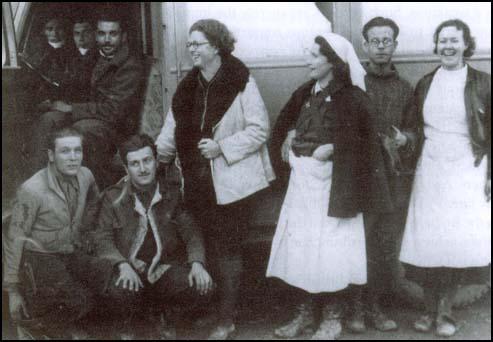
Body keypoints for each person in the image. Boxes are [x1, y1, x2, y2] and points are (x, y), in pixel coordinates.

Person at [267, 32, 392, 340]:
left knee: (333, 253)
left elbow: (368, 141)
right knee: (302, 250)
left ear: (333, 63)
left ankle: (333, 317)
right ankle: (305, 314)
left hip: (336, 189)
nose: (308, 59)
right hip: (304, 185)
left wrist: (335, 147)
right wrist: (288, 136)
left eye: (314, 55)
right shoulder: (306, 92)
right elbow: (283, 123)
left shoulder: (353, 97)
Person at [155, 19, 275, 339]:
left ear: (217, 47)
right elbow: (172, 130)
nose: (191, 49)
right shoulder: (187, 85)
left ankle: (227, 320)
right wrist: (155, 161)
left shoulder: (240, 80)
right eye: (189, 44)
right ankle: (212, 314)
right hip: (196, 182)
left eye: (198, 44)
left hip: (232, 185)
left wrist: (221, 147)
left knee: (227, 251)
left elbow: (259, 129)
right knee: (203, 248)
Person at [399, 19, 491, 337]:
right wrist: (405, 140)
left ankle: (446, 313)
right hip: (432, 169)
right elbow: (414, 129)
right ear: (436, 45)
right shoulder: (426, 83)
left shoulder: (483, 83)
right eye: (443, 41)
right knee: (428, 243)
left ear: (466, 44)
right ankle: (427, 311)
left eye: (454, 40)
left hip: (468, 168)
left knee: (454, 243)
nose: (448, 46)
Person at [93, 134, 213, 339]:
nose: (143, 168)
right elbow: (102, 238)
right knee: (120, 291)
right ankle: (133, 322)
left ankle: (168, 316)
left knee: (201, 286)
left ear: (156, 162)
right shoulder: (113, 197)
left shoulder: (172, 192)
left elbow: (191, 232)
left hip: (162, 269)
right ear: (126, 168)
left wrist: (197, 263)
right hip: (129, 269)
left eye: (147, 160)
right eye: (135, 163)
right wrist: (121, 264)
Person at [345, 16, 419, 333]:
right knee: (356, 243)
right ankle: (355, 310)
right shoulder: (352, 83)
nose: (380, 47)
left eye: (386, 40)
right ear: (364, 44)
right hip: (360, 181)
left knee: (384, 246)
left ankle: (375, 307)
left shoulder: (405, 89)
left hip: (392, 181)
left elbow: (417, 130)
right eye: (374, 40)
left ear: (394, 45)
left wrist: (405, 139)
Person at [3, 127, 112, 339]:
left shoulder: (85, 175)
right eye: (65, 151)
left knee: (108, 278)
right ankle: (34, 326)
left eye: (77, 151)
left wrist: (87, 233)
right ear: (51, 156)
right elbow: (14, 238)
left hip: (70, 251)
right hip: (39, 258)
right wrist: (13, 291)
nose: (73, 158)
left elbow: (95, 203)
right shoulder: (32, 190)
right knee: (78, 298)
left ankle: (65, 324)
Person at [31, 12, 145, 188]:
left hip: (117, 129)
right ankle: (41, 188)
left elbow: (115, 111)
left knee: (80, 132)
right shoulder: (94, 56)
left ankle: (87, 194)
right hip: (93, 117)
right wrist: (55, 101)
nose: (106, 39)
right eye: (101, 33)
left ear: (123, 37)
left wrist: (71, 109)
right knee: (49, 120)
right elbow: (76, 86)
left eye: (112, 34)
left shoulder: (130, 65)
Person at [62, 18, 99, 102]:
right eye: (77, 33)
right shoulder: (67, 56)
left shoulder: (102, 57)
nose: (81, 37)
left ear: (95, 34)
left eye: (85, 32)